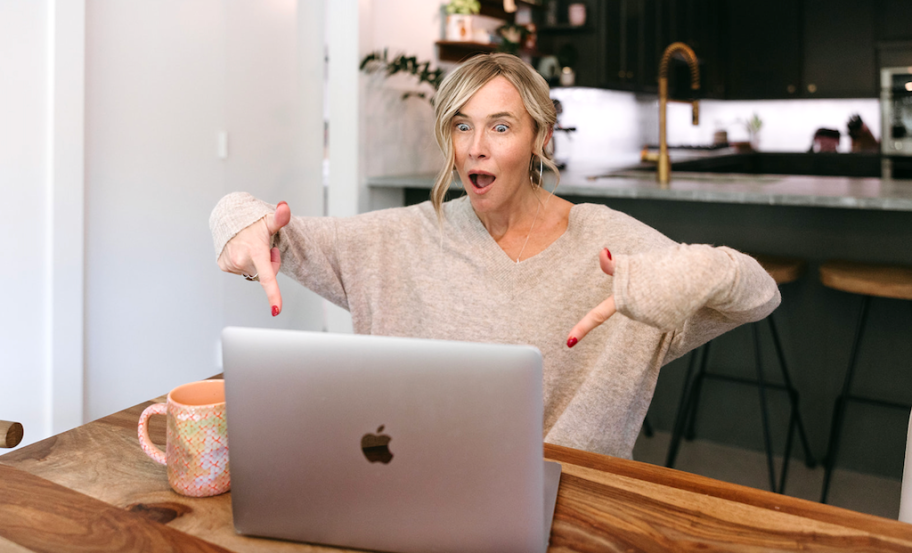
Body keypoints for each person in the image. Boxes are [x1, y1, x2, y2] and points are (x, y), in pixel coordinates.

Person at [210, 53, 779, 459]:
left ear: (540, 138)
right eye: (463, 126)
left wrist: (678, 276)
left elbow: (758, 293)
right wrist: (238, 223)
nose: (476, 146)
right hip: (415, 486)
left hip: (576, 500)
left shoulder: (606, 241)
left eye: (500, 127)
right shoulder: (399, 238)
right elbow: (261, 222)